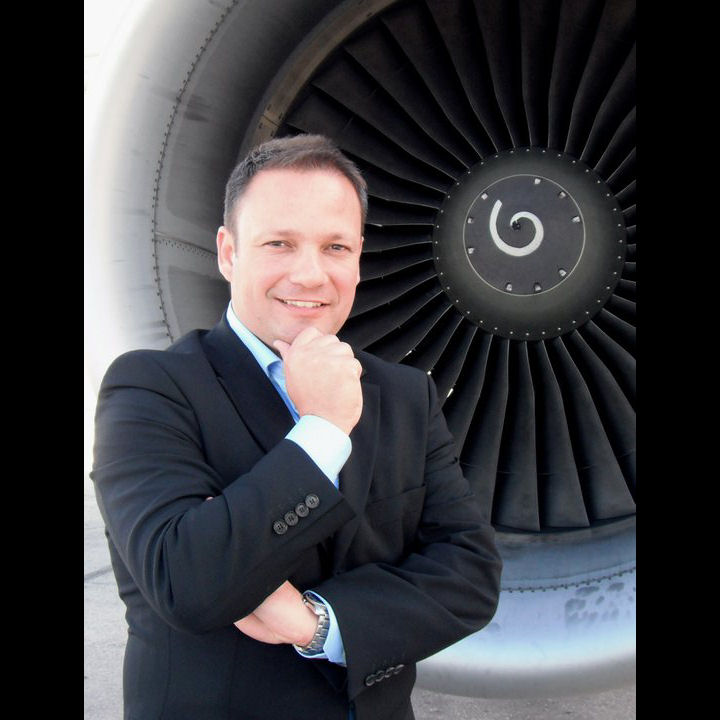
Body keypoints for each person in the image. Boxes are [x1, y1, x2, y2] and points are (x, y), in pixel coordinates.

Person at [91, 134, 502, 720]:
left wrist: (318, 624)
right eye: (279, 243)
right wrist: (324, 429)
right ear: (229, 253)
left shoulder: (406, 395)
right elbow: (185, 582)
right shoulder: (151, 388)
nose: (310, 275)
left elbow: (471, 575)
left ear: (358, 258)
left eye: (335, 247)